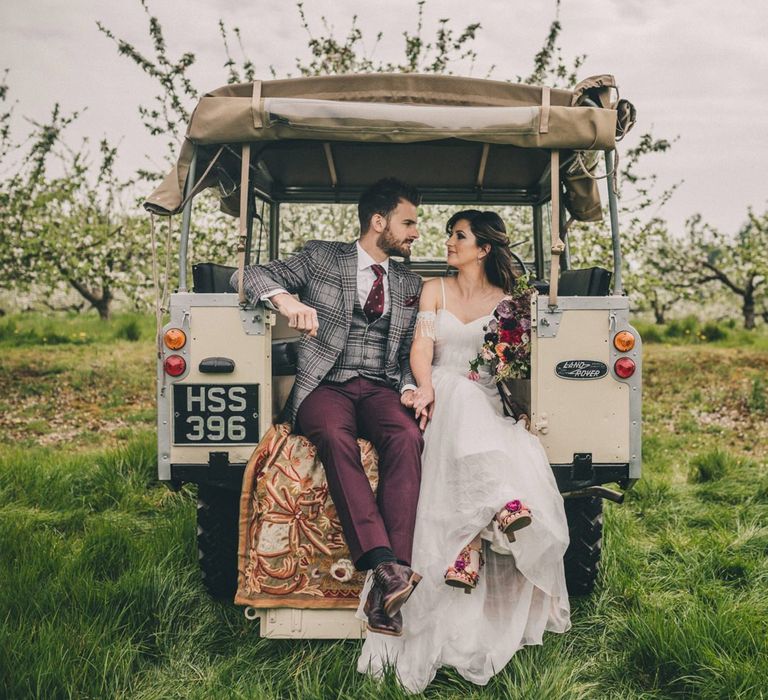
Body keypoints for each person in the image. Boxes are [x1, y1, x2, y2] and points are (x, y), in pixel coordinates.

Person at [356, 210, 571, 692]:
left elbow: (511, 364)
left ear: (484, 248)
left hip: (486, 397)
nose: (449, 243)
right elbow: (420, 346)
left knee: (479, 406)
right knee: (459, 396)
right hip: (440, 388)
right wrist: (426, 387)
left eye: (459, 236)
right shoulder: (435, 288)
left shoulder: (512, 302)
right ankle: (497, 507)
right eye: (451, 235)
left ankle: (471, 543)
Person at [234, 178, 425, 636]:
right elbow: (247, 274)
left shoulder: (409, 282)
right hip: (326, 385)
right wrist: (285, 299)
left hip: (381, 387)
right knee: (334, 439)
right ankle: (383, 566)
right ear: (379, 222)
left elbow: (403, 355)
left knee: (407, 437)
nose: (416, 232)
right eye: (409, 222)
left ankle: (393, 574)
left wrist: (409, 387)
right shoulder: (321, 258)